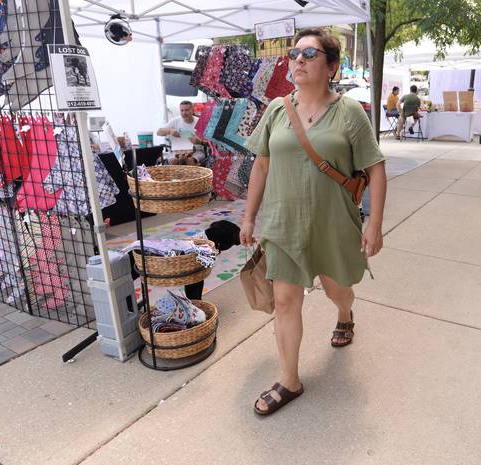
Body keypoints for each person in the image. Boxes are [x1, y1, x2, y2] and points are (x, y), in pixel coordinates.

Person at [241, 28, 387, 416]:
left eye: (310, 52)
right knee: (286, 302)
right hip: (283, 224)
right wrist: (249, 217)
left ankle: (344, 314)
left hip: (334, 223)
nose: (299, 60)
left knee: (338, 289)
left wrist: (374, 224)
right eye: (294, 53)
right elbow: (260, 165)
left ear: (332, 66)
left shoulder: (349, 112)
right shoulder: (276, 109)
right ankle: (290, 379)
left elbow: (375, 168)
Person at [156, 100, 205, 165]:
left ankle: (192, 175)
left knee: (190, 160)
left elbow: (208, 142)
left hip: (196, 151)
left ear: (192, 110)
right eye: (182, 110)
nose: (184, 113)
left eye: (187, 110)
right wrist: (169, 131)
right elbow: (158, 132)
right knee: (174, 161)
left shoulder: (199, 122)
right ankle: (174, 175)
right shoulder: (175, 121)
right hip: (177, 151)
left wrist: (199, 141)